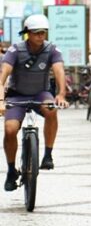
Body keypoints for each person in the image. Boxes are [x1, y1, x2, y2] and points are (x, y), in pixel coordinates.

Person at [0, 14, 69, 191]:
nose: (41, 36)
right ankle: (10, 171)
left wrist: (60, 94)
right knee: (10, 130)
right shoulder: (15, 51)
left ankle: (47, 155)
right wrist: (1, 101)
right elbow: (2, 78)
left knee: (52, 110)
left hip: (41, 94)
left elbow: (59, 71)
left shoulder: (52, 50)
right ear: (27, 33)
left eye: (43, 33)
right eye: (37, 33)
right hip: (17, 96)